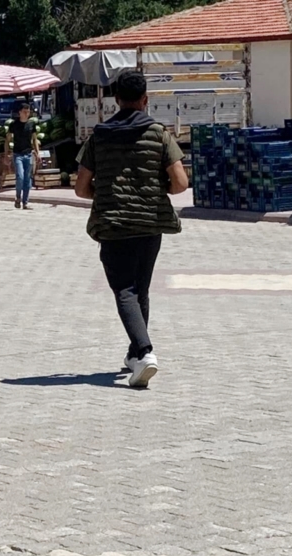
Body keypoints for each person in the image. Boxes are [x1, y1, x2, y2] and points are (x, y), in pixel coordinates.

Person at [74, 71, 188, 388]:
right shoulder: (159, 133)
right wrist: (152, 189)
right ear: (145, 99)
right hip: (151, 224)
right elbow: (180, 183)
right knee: (140, 289)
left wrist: (107, 190)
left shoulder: (99, 136)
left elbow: (81, 189)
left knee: (124, 291)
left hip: (113, 224)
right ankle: (134, 355)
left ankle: (146, 352)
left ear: (116, 100)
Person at [7, 101, 39, 210]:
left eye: (28, 112)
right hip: (17, 154)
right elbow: (7, 140)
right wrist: (6, 153)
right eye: (25, 112)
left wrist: (37, 153)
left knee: (27, 179)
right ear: (20, 112)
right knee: (20, 177)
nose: (27, 114)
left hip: (29, 154)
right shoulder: (14, 125)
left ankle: (25, 202)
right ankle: (18, 197)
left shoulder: (31, 124)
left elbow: (34, 139)